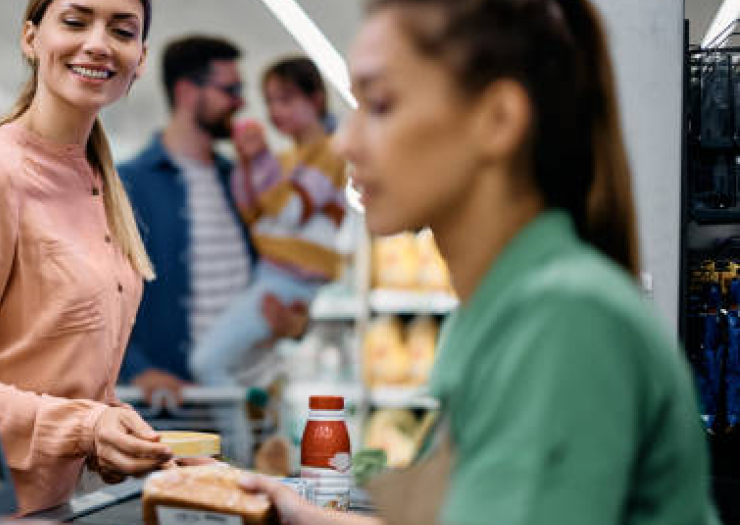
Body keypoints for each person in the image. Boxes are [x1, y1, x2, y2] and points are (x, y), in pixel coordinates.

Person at [239, 0, 720, 524]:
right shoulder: (505, 305)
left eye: (379, 105)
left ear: (497, 120)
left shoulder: (560, 319)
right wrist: (298, 512)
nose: (345, 141)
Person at [0, 0, 172, 515]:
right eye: (76, 21)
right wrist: (86, 427)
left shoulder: (98, 181)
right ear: (31, 38)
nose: (99, 43)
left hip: (58, 508)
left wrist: (119, 436)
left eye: (121, 31)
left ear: (141, 57)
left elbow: (56, 370)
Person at [119, 36, 308, 403]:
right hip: (176, 415)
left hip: (249, 401)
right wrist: (136, 369)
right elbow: (96, 302)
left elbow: (283, 267)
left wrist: (296, 322)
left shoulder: (239, 179)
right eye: (230, 89)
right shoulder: (128, 185)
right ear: (188, 92)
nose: (240, 102)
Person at [189, 56, 354, 388]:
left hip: (286, 279)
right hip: (274, 277)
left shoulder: (331, 154)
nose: (276, 110)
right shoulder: (286, 159)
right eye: (270, 101)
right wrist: (250, 164)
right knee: (232, 367)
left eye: (286, 98)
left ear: (316, 98)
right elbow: (252, 211)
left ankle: (234, 436)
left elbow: (291, 211)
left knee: (207, 363)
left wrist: (260, 161)